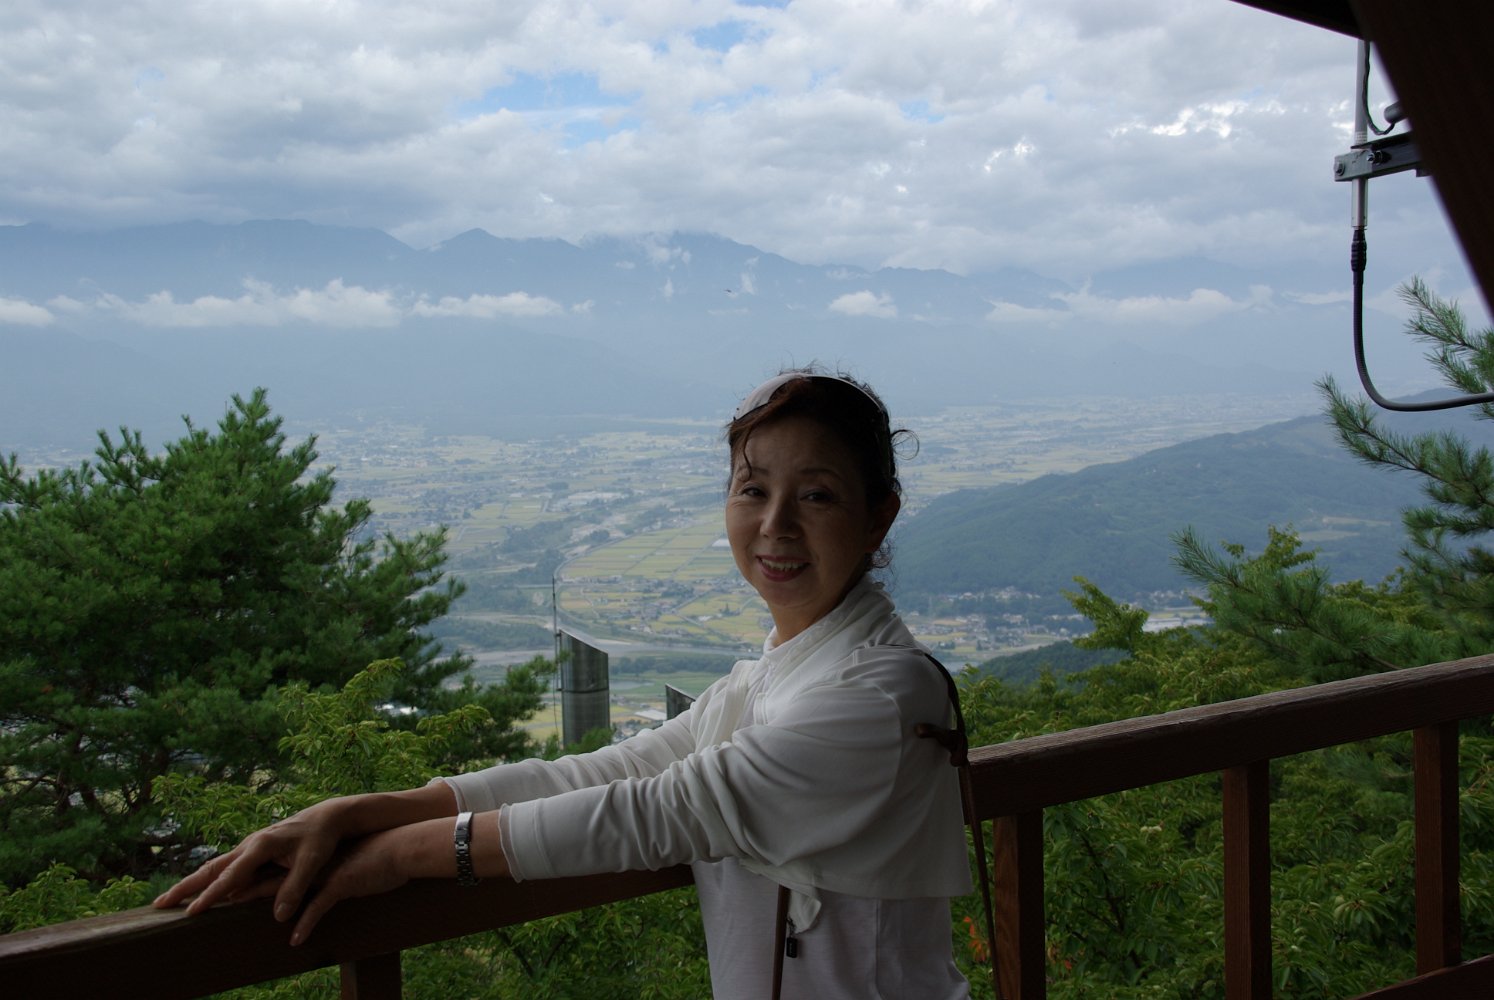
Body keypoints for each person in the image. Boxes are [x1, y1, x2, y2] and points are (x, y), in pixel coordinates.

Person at [154, 368, 973, 999]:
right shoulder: (770, 680)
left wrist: (402, 855)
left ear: (879, 515)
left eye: (817, 495)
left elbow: (656, 810)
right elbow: (605, 772)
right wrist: (367, 811)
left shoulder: (878, 696)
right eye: (752, 490)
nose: (775, 524)